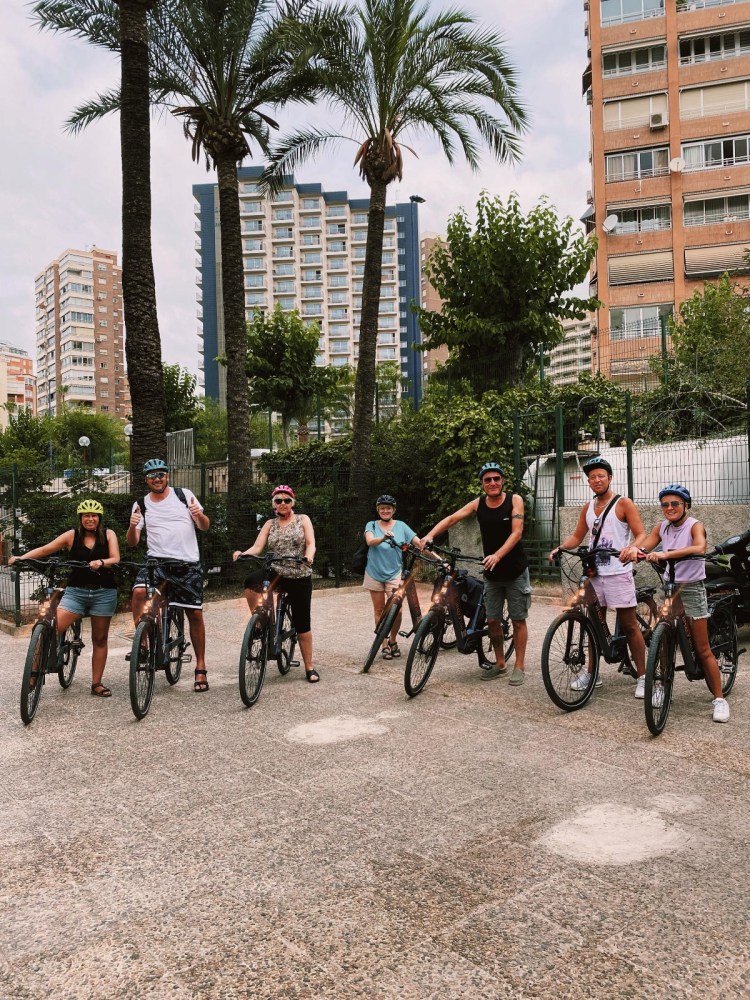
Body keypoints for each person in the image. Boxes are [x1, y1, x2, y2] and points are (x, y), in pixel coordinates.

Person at [626, 484, 729, 723]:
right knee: (663, 640)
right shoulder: (661, 527)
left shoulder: (695, 525)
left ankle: (719, 699)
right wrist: (634, 551)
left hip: (691, 587)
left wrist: (665, 554)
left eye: (675, 504)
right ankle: (661, 686)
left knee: (702, 648)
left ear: (686, 505)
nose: (669, 508)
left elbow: (699, 547)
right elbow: (646, 545)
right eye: (665, 504)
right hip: (670, 588)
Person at [421, 462, 531, 685]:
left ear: (502, 481)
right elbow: (453, 518)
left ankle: (519, 666)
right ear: (482, 484)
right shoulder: (478, 504)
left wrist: (498, 555)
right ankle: (500, 664)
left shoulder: (514, 500)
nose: (492, 483)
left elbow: (517, 532)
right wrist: (429, 536)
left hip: (515, 571)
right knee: (491, 621)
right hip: (492, 573)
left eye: (496, 479)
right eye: (487, 480)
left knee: (518, 620)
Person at [550, 455, 647, 696]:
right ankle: (593, 673)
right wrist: (561, 548)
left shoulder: (624, 503)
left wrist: (633, 548)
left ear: (610, 478)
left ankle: (644, 676)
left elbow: (641, 535)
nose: (596, 480)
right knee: (595, 623)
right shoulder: (588, 507)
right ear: (589, 482)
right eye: (592, 477)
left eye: (601, 476)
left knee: (629, 625)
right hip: (594, 573)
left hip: (618, 572)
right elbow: (577, 537)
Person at [10, 499, 120, 697]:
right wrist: (22, 558)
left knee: (100, 638)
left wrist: (102, 562)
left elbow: (115, 558)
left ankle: (97, 683)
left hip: (104, 592)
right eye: (86, 515)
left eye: (94, 515)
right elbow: (45, 549)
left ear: (99, 518)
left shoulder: (109, 534)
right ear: (80, 518)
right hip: (76, 592)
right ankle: (33, 674)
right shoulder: (72, 536)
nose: (90, 519)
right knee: (47, 629)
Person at [126, 459, 211, 692]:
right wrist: (133, 527)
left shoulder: (184, 496)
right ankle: (142, 644)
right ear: (146, 479)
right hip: (156, 562)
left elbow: (205, 526)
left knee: (194, 613)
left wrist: (199, 515)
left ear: (167, 477)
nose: (157, 479)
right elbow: (132, 542)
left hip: (186, 563)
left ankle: (201, 667)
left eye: (161, 474)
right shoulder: (141, 504)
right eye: (152, 475)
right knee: (138, 593)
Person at [232, 484, 319, 683]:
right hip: (276, 570)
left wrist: (308, 557)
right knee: (251, 582)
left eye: (286, 500)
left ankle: (309, 667)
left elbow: (311, 543)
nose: (282, 504)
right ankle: (264, 623)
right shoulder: (269, 524)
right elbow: (257, 546)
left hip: (298, 572)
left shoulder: (302, 519)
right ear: (273, 504)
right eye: (278, 500)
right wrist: (242, 553)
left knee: (302, 623)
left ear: (292, 502)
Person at [362, 494, 422, 659]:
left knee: (397, 609)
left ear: (394, 510)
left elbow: (419, 542)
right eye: (382, 508)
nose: (385, 510)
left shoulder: (401, 526)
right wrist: (383, 537)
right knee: (379, 610)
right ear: (378, 510)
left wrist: (438, 558)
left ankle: (393, 640)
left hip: (394, 574)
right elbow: (370, 541)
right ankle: (383, 643)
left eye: (388, 508)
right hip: (374, 573)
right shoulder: (372, 525)